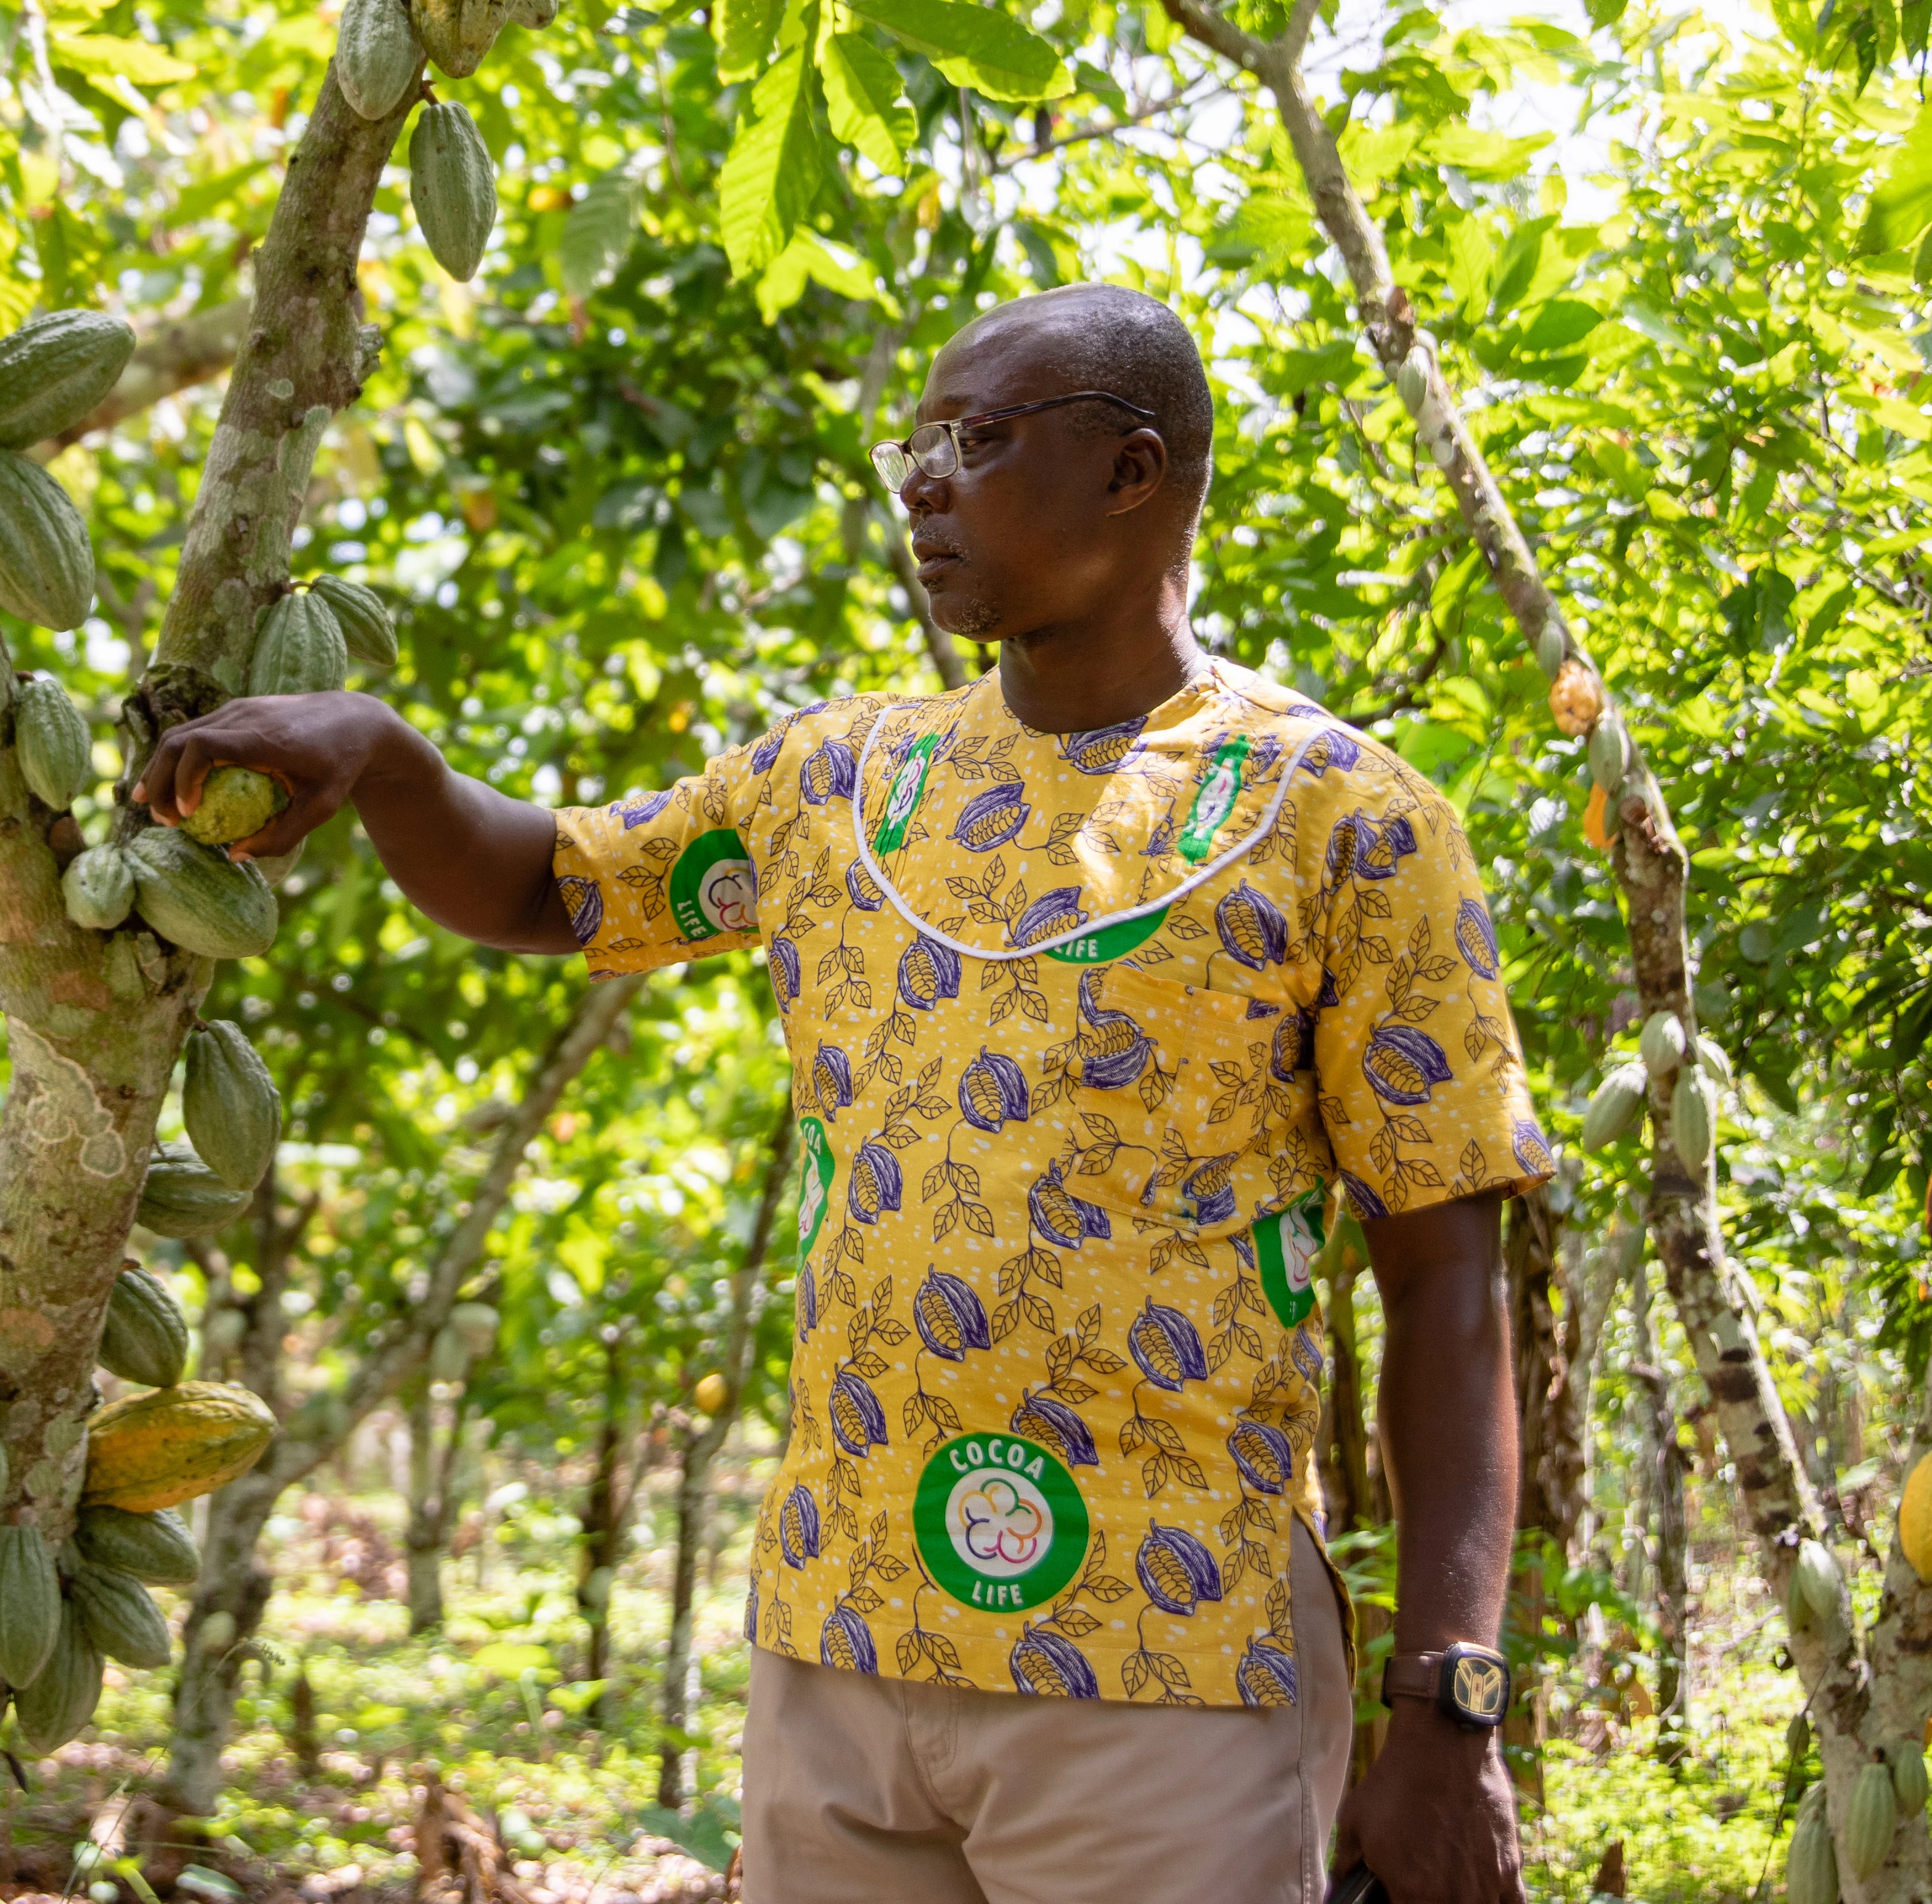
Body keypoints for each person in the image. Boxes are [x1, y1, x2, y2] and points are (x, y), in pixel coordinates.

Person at [140, 284, 1544, 1904]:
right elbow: (555, 887)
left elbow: (1447, 1279)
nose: (924, 479)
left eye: (983, 437)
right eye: (921, 438)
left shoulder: (1342, 816)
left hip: (1171, 1661)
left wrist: (1449, 1698)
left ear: (1134, 473)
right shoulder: (837, 780)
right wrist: (384, 759)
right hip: (846, 1636)